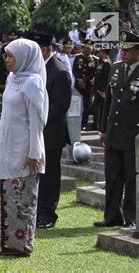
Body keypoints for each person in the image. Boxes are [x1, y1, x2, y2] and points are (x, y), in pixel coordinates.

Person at [0, 38, 48, 255]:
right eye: (5, 55)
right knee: (1, 192)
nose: (6, 60)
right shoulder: (12, 78)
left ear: (24, 57)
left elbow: (36, 123)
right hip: (5, 146)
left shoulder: (33, 83)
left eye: (10, 55)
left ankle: (18, 245)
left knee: (20, 197)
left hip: (24, 149)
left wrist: (34, 153)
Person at [25, 32, 72, 229]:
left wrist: (37, 115)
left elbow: (61, 105)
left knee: (50, 175)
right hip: (35, 131)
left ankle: (48, 213)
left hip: (51, 133)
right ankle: (36, 211)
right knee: (37, 174)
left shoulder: (59, 71)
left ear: (44, 50)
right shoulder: (36, 69)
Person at [95, 31, 139, 229]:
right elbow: (109, 103)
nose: (123, 53)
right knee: (112, 176)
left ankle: (131, 218)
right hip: (114, 133)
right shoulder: (116, 68)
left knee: (131, 179)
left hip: (132, 135)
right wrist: (103, 129)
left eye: (128, 50)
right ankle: (112, 215)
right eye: (122, 49)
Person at [73, 39, 98, 130]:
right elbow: (74, 69)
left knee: (87, 105)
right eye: (86, 48)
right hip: (78, 84)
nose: (88, 50)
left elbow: (94, 72)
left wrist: (85, 80)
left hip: (88, 84)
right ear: (83, 48)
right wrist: (79, 79)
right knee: (76, 103)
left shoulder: (94, 59)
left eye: (89, 48)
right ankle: (76, 122)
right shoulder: (78, 57)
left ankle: (84, 123)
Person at [91, 48, 111, 131]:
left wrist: (102, 90)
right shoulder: (100, 62)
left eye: (100, 52)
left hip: (101, 90)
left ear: (103, 53)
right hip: (97, 88)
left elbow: (106, 78)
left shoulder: (107, 64)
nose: (98, 54)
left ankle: (97, 125)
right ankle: (96, 124)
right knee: (97, 108)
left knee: (98, 108)